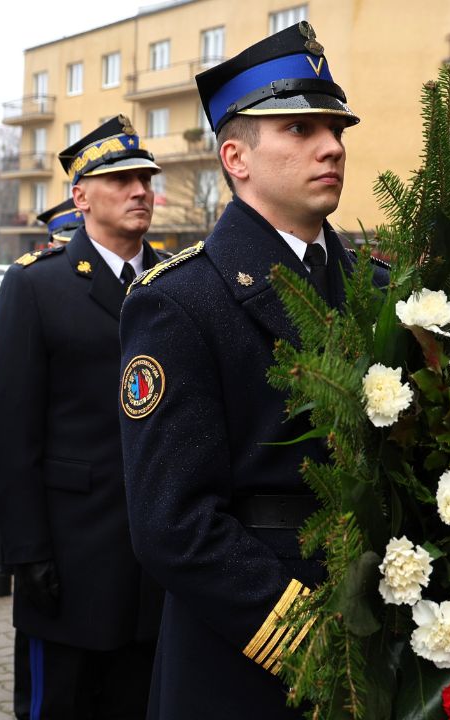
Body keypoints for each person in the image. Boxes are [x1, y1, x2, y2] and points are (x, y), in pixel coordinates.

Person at [118, 22, 388, 718]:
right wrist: (311, 640)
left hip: (385, 623)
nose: (331, 146)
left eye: (335, 128)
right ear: (235, 157)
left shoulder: (380, 289)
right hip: (249, 650)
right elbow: (172, 524)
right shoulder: (181, 301)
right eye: (298, 128)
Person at [0, 115, 165, 719]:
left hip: (159, 562)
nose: (139, 190)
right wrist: (24, 549)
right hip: (71, 556)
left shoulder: (178, 279)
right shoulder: (38, 286)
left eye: (144, 178)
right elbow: (11, 432)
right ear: (80, 196)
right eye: (121, 181)